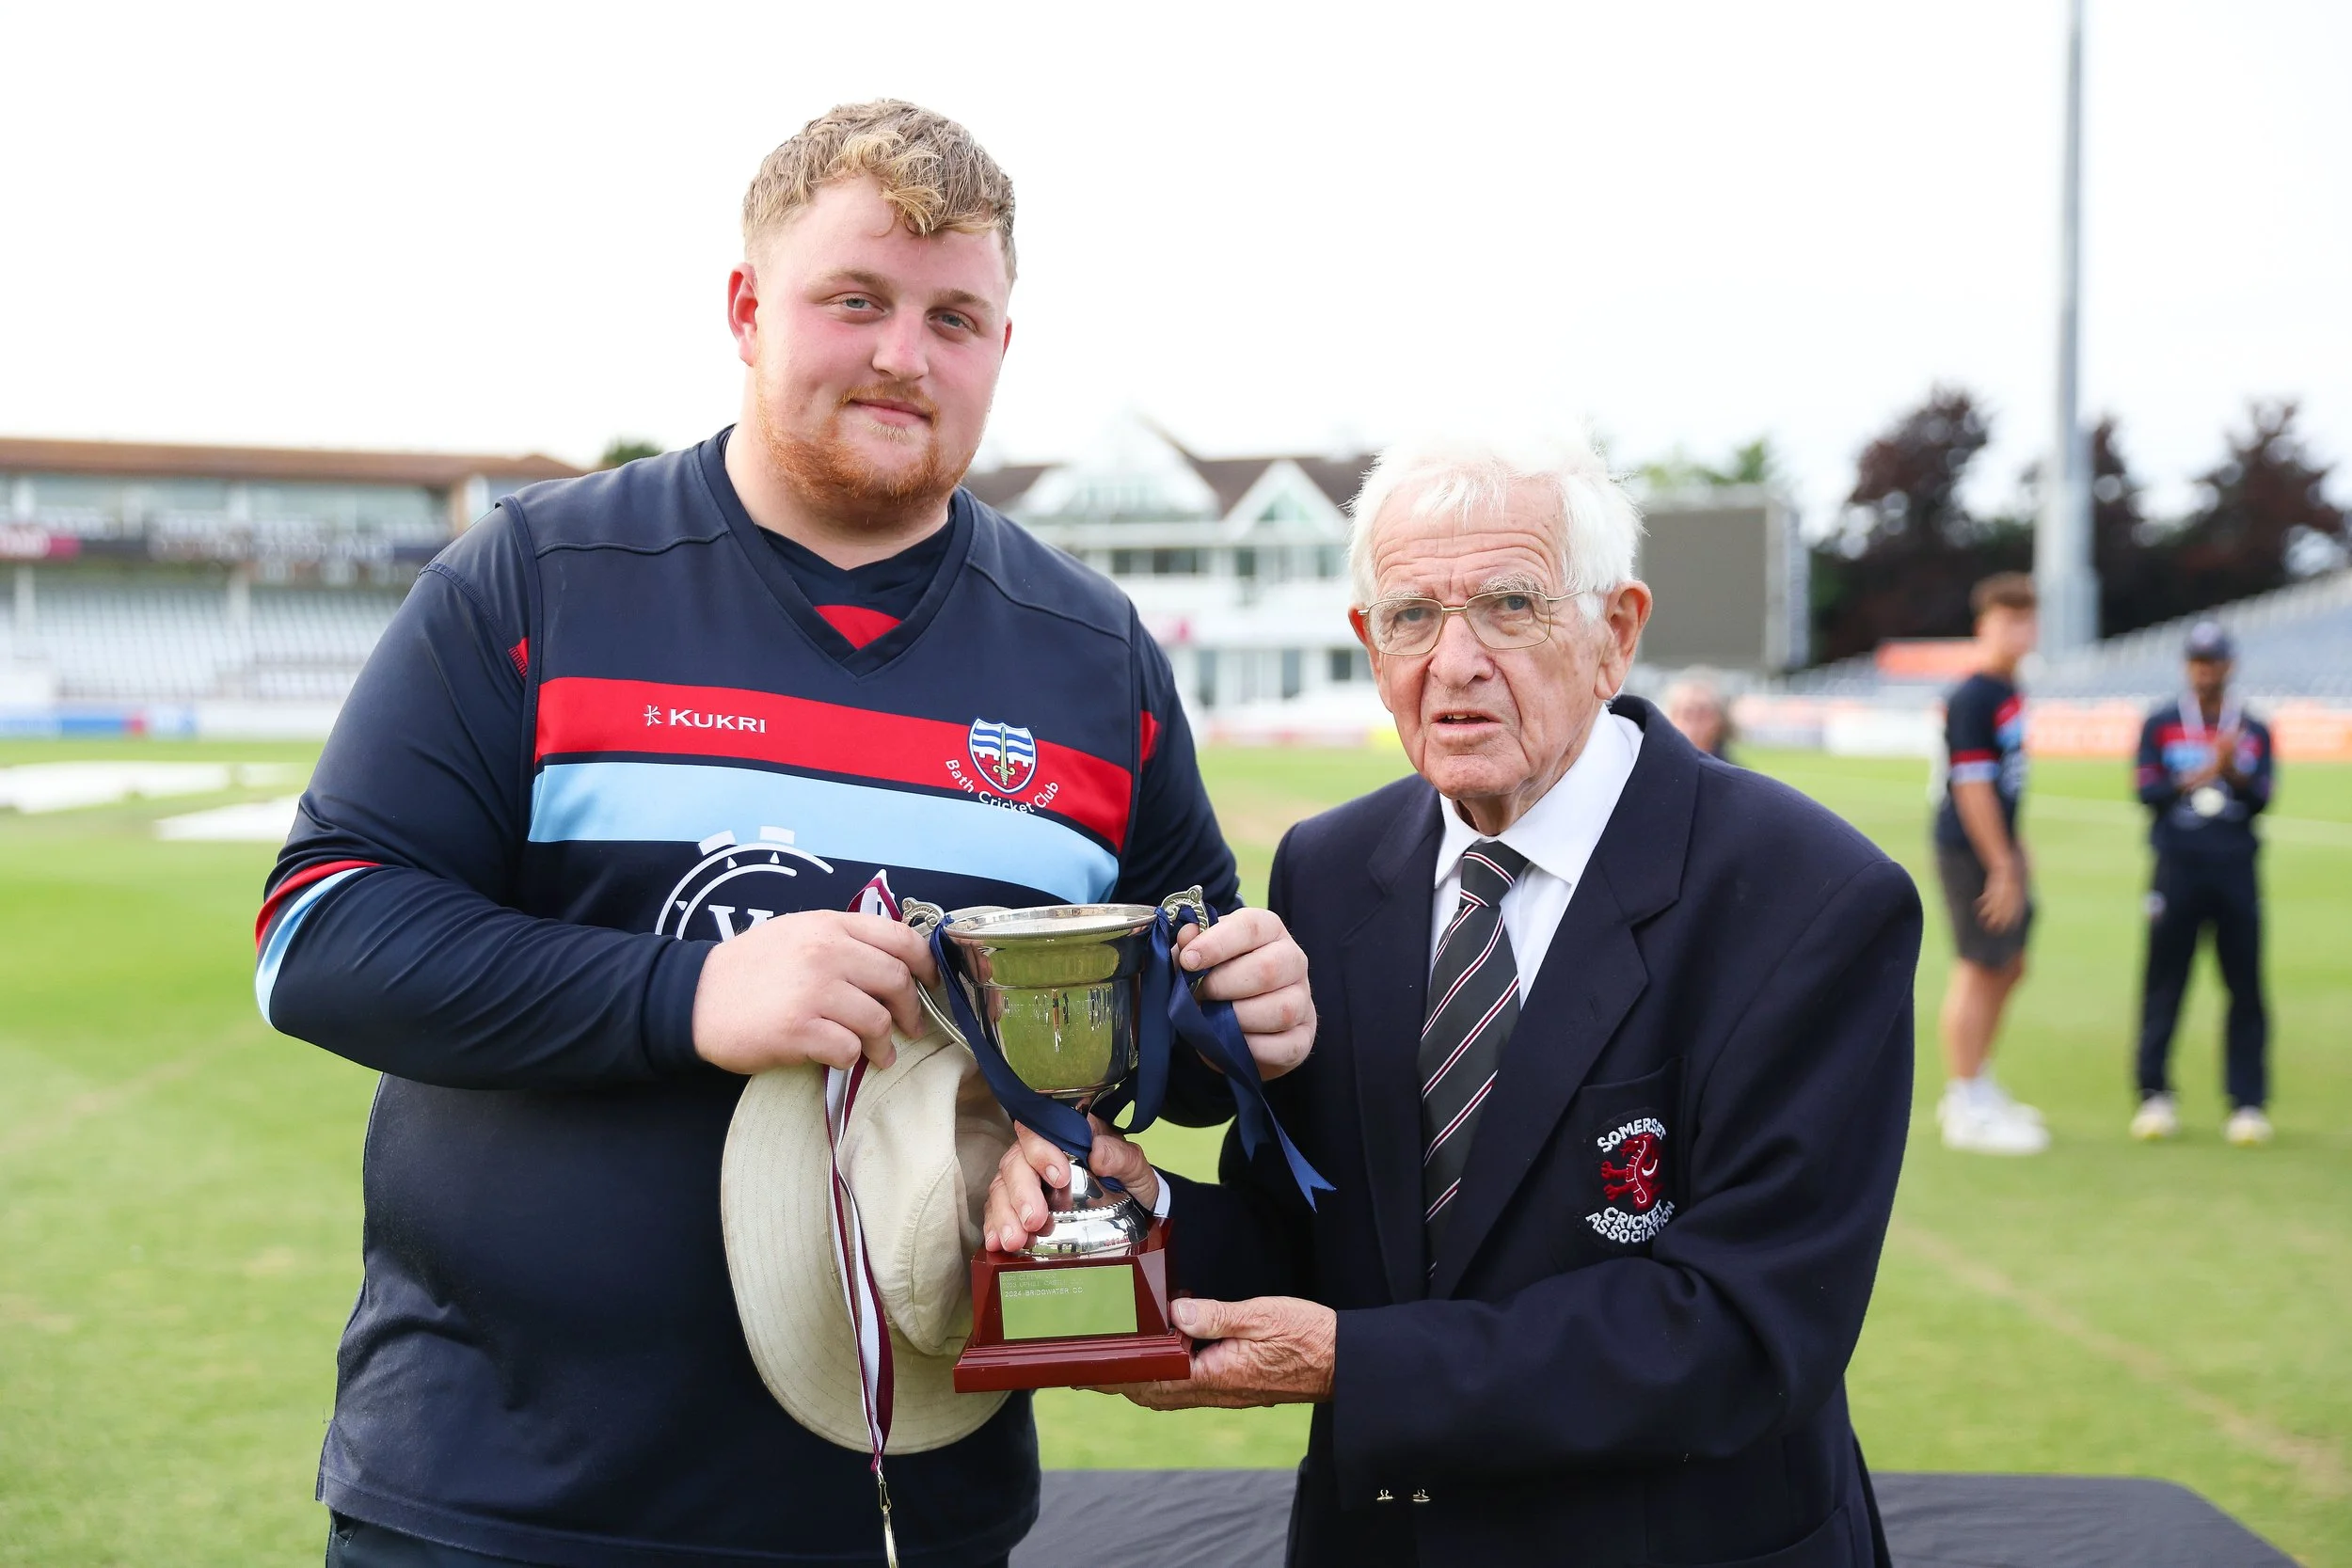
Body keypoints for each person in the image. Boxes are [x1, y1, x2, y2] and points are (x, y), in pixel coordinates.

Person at [258, 101, 1316, 1568]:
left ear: (1004, 345)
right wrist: (689, 994)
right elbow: (319, 935)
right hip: (510, 1490)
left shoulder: (1094, 651)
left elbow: (1163, 1028)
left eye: (957, 315)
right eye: (856, 300)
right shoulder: (538, 578)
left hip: (915, 1503)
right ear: (749, 309)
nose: (905, 352)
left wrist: (1237, 1018)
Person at [987, 434, 1924, 1567]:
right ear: (1367, 647)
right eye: (1411, 616)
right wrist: (1147, 1210)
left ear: (1614, 634)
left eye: (1510, 604)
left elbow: (1742, 1328)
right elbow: (1313, 1230)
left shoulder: (1810, 896)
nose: (1456, 658)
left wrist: (1357, 1365)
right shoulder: (1328, 873)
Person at [2128, 621, 2276, 1147]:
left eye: (2213, 661)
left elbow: (2263, 799)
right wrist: (2208, 767)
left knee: (2245, 987)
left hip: (2236, 869)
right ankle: (2154, 1095)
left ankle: (2248, 1103)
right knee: (2164, 983)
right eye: (2197, 661)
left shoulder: (2253, 728)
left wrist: (2233, 772)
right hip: (2176, 869)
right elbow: (2147, 793)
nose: (2205, 670)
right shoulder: (2162, 723)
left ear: (2229, 666)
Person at [1930, 572, 2048, 1155]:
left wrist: (2019, 855)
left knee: (2011, 962)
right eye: (2008, 620)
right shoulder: (1974, 695)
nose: (2019, 631)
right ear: (1984, 627)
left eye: (2027, 619)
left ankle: (1980, 1079)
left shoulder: (2009, 689)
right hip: (1970, 849)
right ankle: (1963, 1100)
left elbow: (2007, 784)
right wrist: (2002, 866)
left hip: (2000, 847)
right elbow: (1972, 786)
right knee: (1979, 965)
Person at [1661, 669, 1733, 760]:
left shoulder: (1734, 772)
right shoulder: (1653, 765)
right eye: (1687, 714)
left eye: (1702, 714)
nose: (1693, 725)